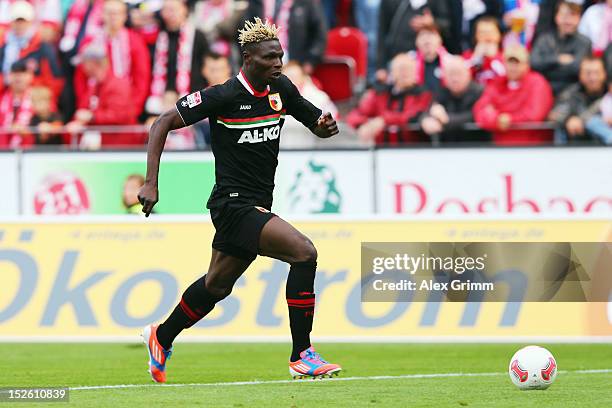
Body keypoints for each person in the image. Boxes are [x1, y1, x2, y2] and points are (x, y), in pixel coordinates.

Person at [138, 18, 341, 383]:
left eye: (280, 55)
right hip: (233, 204)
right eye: (270, 57)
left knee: (216, 285)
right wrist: (151, 183)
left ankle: (161, 336)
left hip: (257, 202)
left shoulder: (282, 90)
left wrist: (324, 127)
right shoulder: (223, 95)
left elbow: (316, 123)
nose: (278, 63)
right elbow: (162, 123)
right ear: (248, 58)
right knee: (304, 253)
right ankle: (302, 354)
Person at [473, 44, 554, 145]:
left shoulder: (537, 83)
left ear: (526, 65)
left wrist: (508, 119)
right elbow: (480, 110)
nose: (513, 67)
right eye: (509, 62)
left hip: (532, 147)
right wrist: (496, 120)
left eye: (517, 63)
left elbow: (534, 115)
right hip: (501, 148)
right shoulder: (497, 83)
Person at [346, 52, 432, 144]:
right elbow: (354, 115)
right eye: (401, 69)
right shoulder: (379, 93)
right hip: (381, 149)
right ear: (392, 73)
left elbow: (412, 116)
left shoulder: (423, 94)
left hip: (413, 150)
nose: (405, 72)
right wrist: (365, 124)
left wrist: (383, 121)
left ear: (416, 72)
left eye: (409, 69)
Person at [420, 56, 488, 143]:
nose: (455, 79)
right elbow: (428, 110)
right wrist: (426, 120)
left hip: (476, 146)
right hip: (447, 148)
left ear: (468, 74)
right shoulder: (441, 92)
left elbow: (475, 115)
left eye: (458, 73)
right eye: (451, 74)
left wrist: (447, 120)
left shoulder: (479, 92)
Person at [530, 0, 591, 95]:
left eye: (573, 15)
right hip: (543, 87)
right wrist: (558, 59)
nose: (568, 21)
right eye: (564, 16)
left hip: (572, 90)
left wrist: (547, 65)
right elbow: (534, 63)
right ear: (556, 17)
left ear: (579, 18)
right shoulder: (544, 39)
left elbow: (577, 68)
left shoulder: (584, 42)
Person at [549, 56, 608, 142]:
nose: (593, 78)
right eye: (588, 73)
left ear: (604, 74)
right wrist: (567, 120)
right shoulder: (571, 93)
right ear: (580, 75)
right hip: (577, 145)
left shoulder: (609, 93)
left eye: (597, 73)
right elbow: (554, 114)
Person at [463, 16, 506, 84]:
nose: (487, 36)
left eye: (490, 32)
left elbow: (509, 78)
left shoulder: (507, 55)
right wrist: (476, 58)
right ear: (475, 36)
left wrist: (494, 58)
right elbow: (460, 78)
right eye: (482, 32)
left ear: (499, 35)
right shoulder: (468, 56)